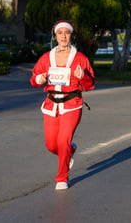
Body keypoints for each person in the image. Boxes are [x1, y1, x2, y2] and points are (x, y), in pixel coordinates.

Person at [30, 21, 94, 190]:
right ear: (55, 36)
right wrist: (39, 79)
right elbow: (34, 79)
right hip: (51, 104)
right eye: (60, 33)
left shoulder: (80, 58)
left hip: (72, 104)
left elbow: (90, 84)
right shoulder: (46, 58)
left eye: (67, 33)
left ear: (71, 35)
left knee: (63, 140)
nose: (64, 36)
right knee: (51, 144)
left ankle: (62, 178)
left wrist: (82, 76)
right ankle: (69, 152)